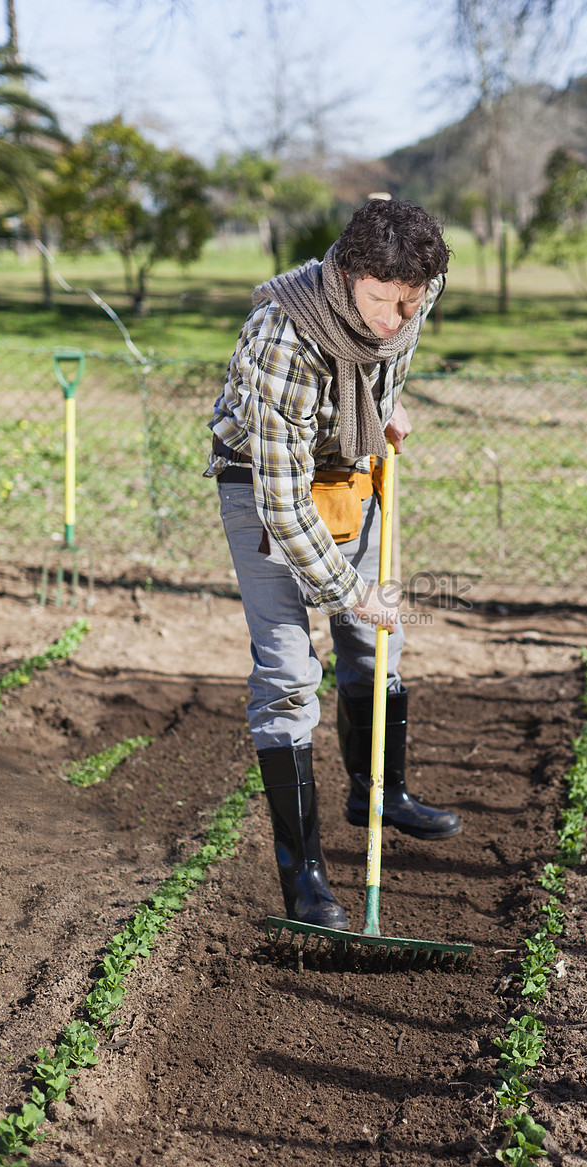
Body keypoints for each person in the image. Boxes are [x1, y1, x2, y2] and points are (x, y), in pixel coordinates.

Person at [204, 198, 462, 932]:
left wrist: (386, 401)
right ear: (345, 274)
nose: (391, 319)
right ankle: (305, 877)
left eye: (406, 303)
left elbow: (383, 359)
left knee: (380, 644)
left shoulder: (418, 289)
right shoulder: (282, 336)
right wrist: (350, 593)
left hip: (348, 463)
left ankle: (379, 789)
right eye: (378, 301)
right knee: (289, 675)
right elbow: (284, 508)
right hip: (263, 484)